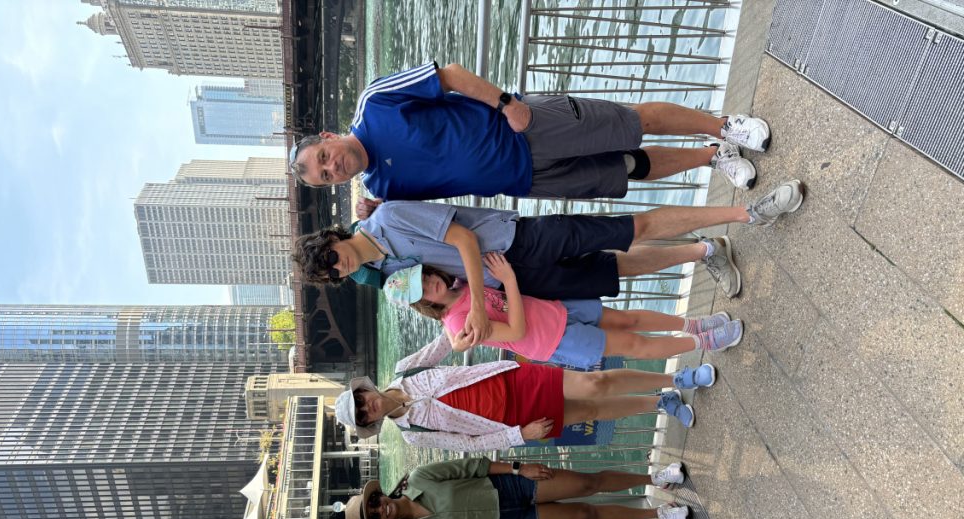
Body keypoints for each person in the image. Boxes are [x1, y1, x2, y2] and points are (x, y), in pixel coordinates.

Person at [292, 185, 803, 337]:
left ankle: (748, 212)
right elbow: (445, 288)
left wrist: (473, 304)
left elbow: (465, 241)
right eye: (332, 272)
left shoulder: (390, 220)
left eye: (332, 257)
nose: (339, 266)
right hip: (518, 278)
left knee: (630, 229)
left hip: (519, 242)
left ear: (335, 236)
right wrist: (461, 313)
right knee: (615, 269)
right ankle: (706, 250)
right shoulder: (383, 273)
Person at [289, 61, 770, 207]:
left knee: (631, 122)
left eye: (324, 157)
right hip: (526, 181)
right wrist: (374, 214)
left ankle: (725, 124)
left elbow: (451, 75)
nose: (333, 167)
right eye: (325, 176)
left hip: (523, 128)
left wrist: (507, 104)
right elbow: (412, 227)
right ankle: (712, 155)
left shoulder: (375, 103)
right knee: (627, 168)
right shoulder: (379, 188)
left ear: (328, 136)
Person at [333, 333, 704, 452]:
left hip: (510, 379)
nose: (369, 406)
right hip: (513, 419)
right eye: (363, 415)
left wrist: (469, 313)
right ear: (371, 423)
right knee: (590, 412)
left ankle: (676, 380)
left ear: (365, 389)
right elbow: (470, 444)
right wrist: (518, 435)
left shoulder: (406, 369)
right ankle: (660, 403)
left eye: (361, 400)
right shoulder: (414, 436)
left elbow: (445, 340)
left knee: (595, 383)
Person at [383, 256, 743, 369]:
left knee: (627, 318)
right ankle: (703, 342)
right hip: (550, 337)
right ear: (421, 304)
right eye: (422, 288)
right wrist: (508, 279)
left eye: (425, 275)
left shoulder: (461, 284)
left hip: (555, 308)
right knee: (632, 344)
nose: (430, 282)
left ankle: (694, 323)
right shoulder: (459, 323)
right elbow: (515, 332)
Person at [341, 457, 693, 519]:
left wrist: (518, 468)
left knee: (588, 483)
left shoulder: (419, 477)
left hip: (509, 488)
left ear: (379, 495)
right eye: (375, 518)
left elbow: (473, 466)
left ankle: (654, 478)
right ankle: (660, 513)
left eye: (374, 504)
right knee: (587, 513)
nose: (380, 511)